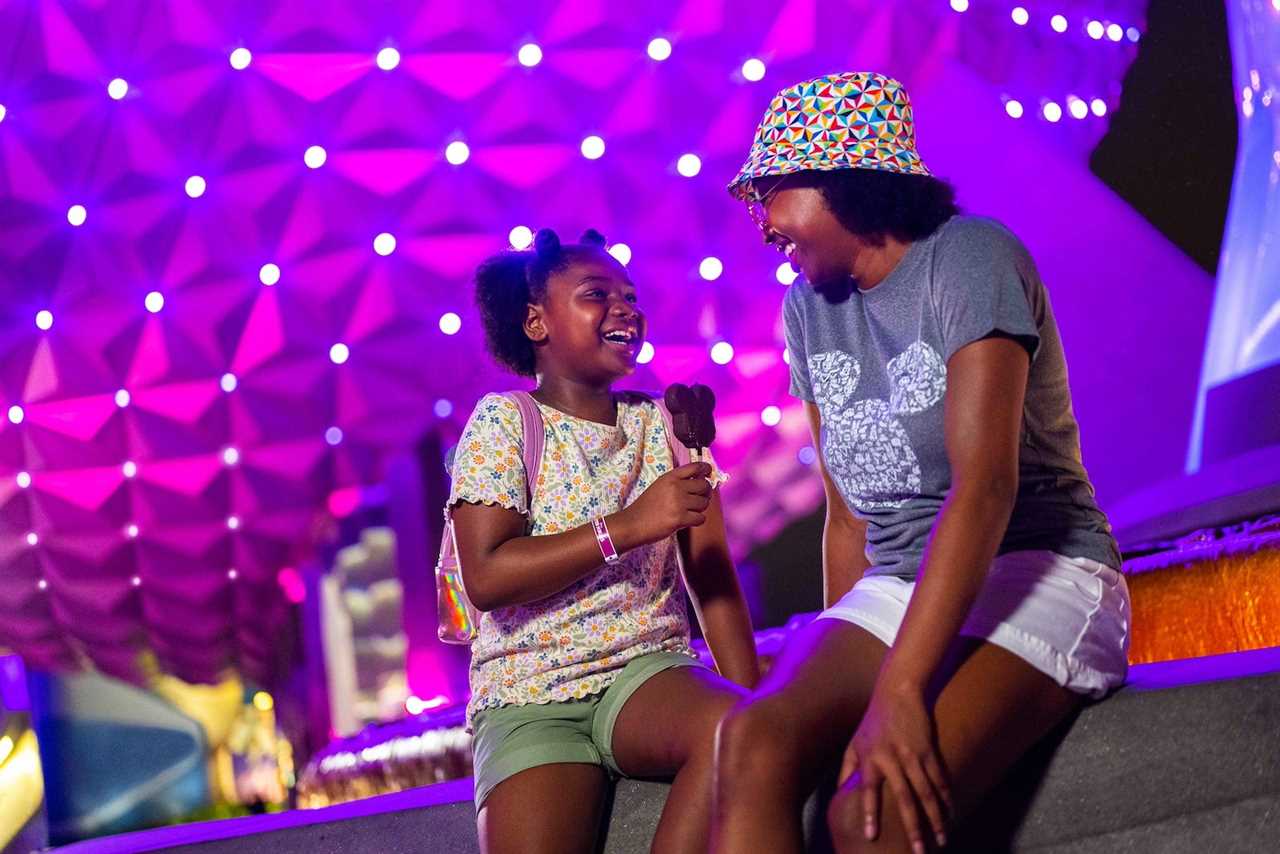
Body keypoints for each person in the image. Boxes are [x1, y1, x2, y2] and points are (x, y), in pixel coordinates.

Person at [711, 72, 1131, 853]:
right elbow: (845, 516)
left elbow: (987, 485)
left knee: (867, 819)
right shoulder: (807, 307)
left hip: (1039, 566)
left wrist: (897, 689)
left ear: (843, 178)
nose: (762, 222)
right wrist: (848, 682)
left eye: (771, 192)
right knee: (753, 739)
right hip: (897, 583)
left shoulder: (971, 257)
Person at [450, 227, 759, 854]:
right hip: (527, 690)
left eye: (630, 295)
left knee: (738, 731)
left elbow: (712, 576)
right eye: (598, 293)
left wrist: (757, 704)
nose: (626, 308)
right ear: (537, 322)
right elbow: (485, 575)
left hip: (648, 674)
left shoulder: (665, 426)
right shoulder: (505, 421)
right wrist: (627, 526)